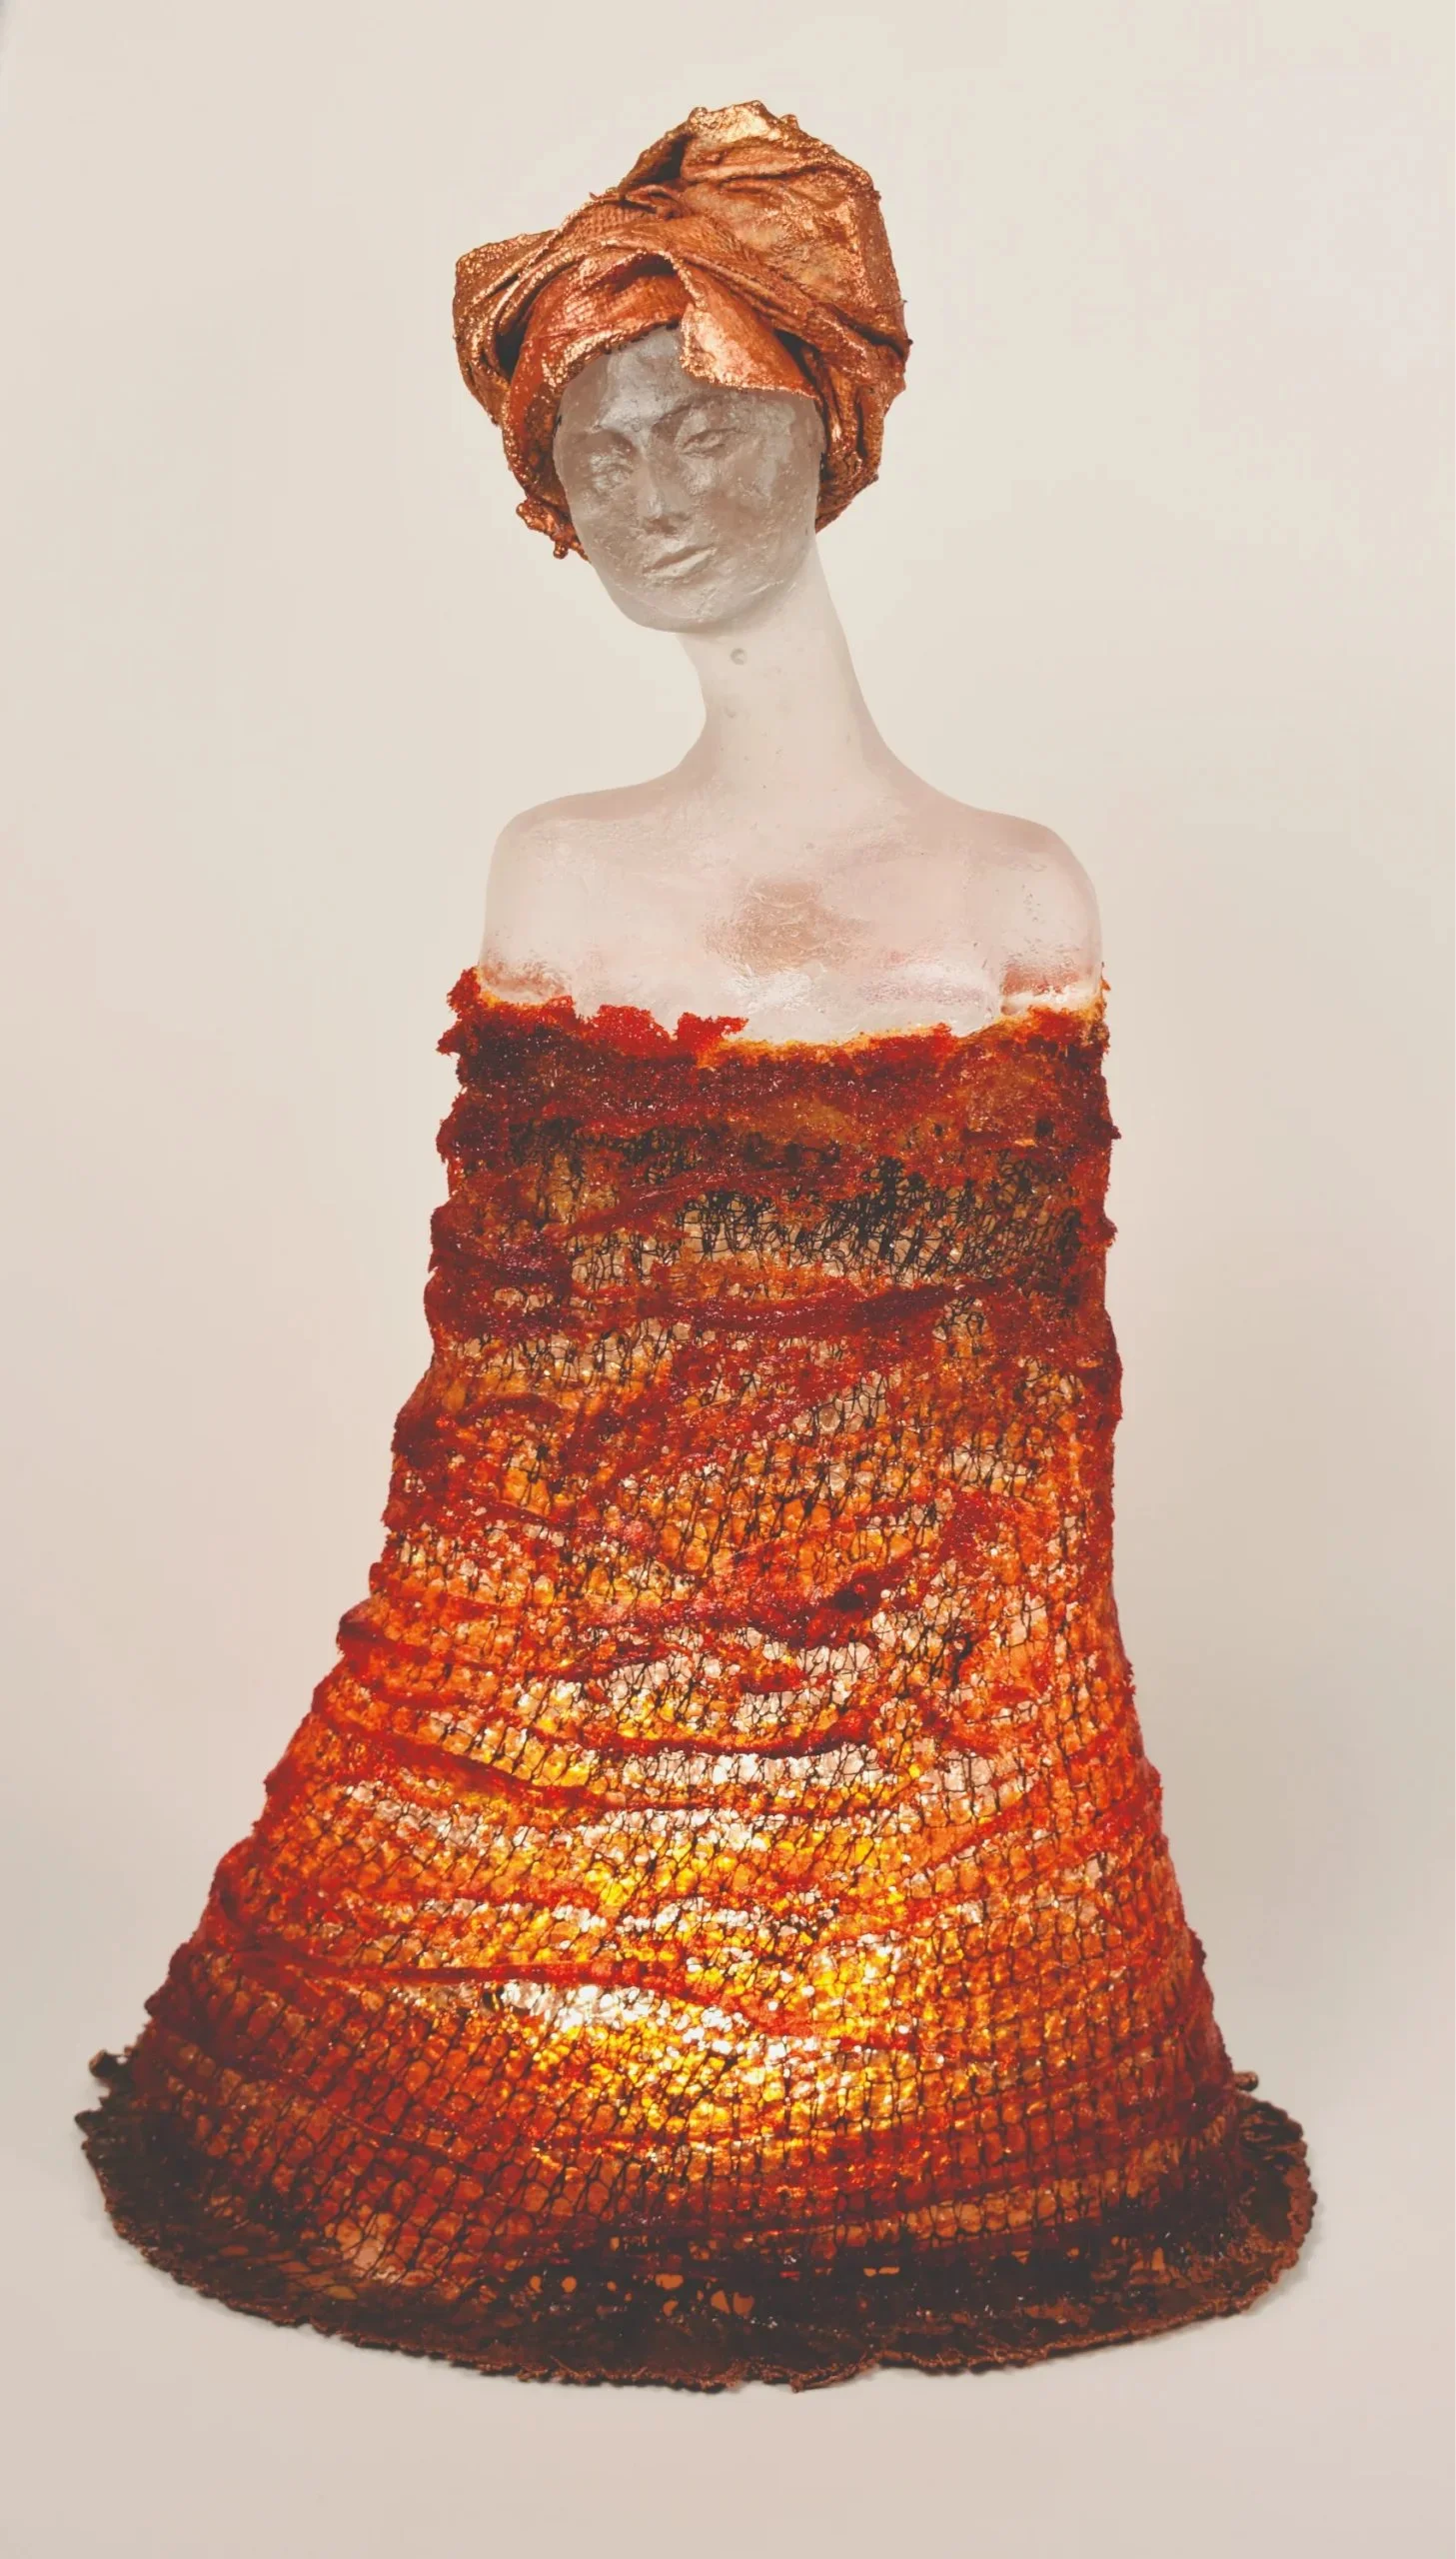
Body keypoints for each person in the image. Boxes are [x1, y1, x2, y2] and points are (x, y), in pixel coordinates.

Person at [81, 103, 1310, 2389]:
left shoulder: (1012, 902)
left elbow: (1025, 1491)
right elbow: (508, 1452)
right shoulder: (559, 879)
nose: (650, 491)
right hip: (598, 1798)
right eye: (597, 444)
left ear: (820, 419)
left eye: (700, 419)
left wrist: (1010, 1888)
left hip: (916, 1854)